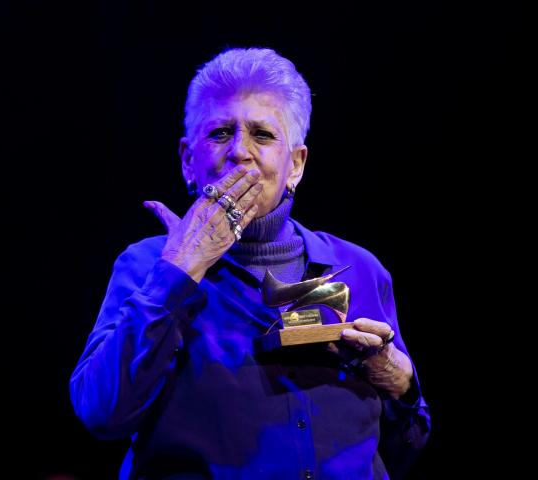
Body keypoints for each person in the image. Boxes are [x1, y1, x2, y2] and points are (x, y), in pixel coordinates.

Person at [70, 47, 430, 479]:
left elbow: (404, 442)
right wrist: (181, 268)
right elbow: (101, 412)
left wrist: (401, 382)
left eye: (262, 134)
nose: (240, 151)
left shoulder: (360, 268)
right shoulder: (148, 264)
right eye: (220, 133)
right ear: (188, 160)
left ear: (295, 165)